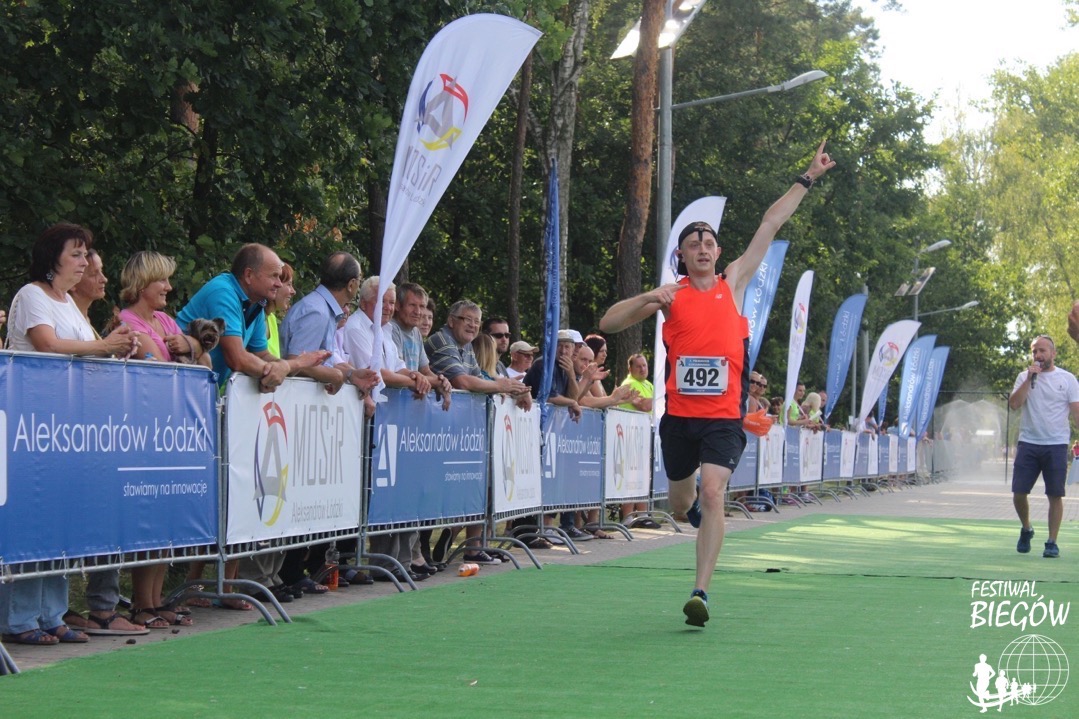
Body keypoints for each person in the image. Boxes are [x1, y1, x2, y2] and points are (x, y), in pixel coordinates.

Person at [599, 141, 835, 627]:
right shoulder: (670, 296)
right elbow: (608, 323)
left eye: (709, 242)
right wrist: (649, 295)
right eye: (694, 244)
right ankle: (700, 524)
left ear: (719, 252)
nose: (703, 247)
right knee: (682, 504)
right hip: (680, 420)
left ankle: (700, 592)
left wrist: (807, 177)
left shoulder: (734, 282)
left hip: (723, 419)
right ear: (682, 256)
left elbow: (770, 223)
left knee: (712, 493)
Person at [2, 222, 144, 645]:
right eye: (76, 254)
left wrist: (119, 349)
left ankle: (52, 614)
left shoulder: (68, 303)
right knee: (33, 523)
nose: (84, 262)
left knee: (59, 523)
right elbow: (46, 345)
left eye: (86, 254)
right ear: (53, 259)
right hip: (33, 428)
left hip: (68, 430)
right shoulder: (33, 295)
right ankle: (19, 619)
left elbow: (88, 355)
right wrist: (103, 347)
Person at [276, 251, 380, 596]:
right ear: (352, 285)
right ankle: (290, 570)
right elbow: (298, 362)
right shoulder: (316, 311)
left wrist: (350, 374)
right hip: (296, 414)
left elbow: (326, 358)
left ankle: (301, 567)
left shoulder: (323, 310)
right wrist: (338, 376)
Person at [341, 277, 439, 583]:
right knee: (375, 492)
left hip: (392, 421)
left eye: (391, 302)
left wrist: (415, 376)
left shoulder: (382, 331)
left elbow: (397, 365)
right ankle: (370, 561)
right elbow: (377, 374)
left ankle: (398, 561)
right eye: (383, 301)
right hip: (370, 419)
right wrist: (415, 380)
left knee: (397, 489)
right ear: (365, 301)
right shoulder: (357, 328)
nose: (388, 308)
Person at [426, 300, 531, 564]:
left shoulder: (464, 347)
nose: (473, 325)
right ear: (452, 320)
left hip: (457, 433)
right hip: (436, 432)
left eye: (476, 321)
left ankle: (469, 546)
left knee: (475, 488)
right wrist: (503, 386)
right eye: (467, 320)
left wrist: (512, 388)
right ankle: (431, 550)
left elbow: (480, 377)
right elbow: (463, 381)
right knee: (433, 493)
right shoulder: (442, 341)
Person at [1007, 334, 1079, 558]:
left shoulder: (1067, 379)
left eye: (1042, 351)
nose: (1038, 355)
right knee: (1019, 493)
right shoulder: (1024, 377)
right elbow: (1014, 404)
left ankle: (1051, 542)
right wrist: (1029, 379)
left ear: (1053, 353)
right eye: (1034, 351)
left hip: (1056, 445)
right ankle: (1026, 528)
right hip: (1028, 443)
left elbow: (1076, 411)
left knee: (1055, 494)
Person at [118, 251, 211, 366]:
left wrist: (192, 344)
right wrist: (195, 348)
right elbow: (161, 370)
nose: (169, 287)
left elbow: (207, 366)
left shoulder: (164, 319)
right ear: (142, 283)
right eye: (162, 280)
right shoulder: (127, 321)